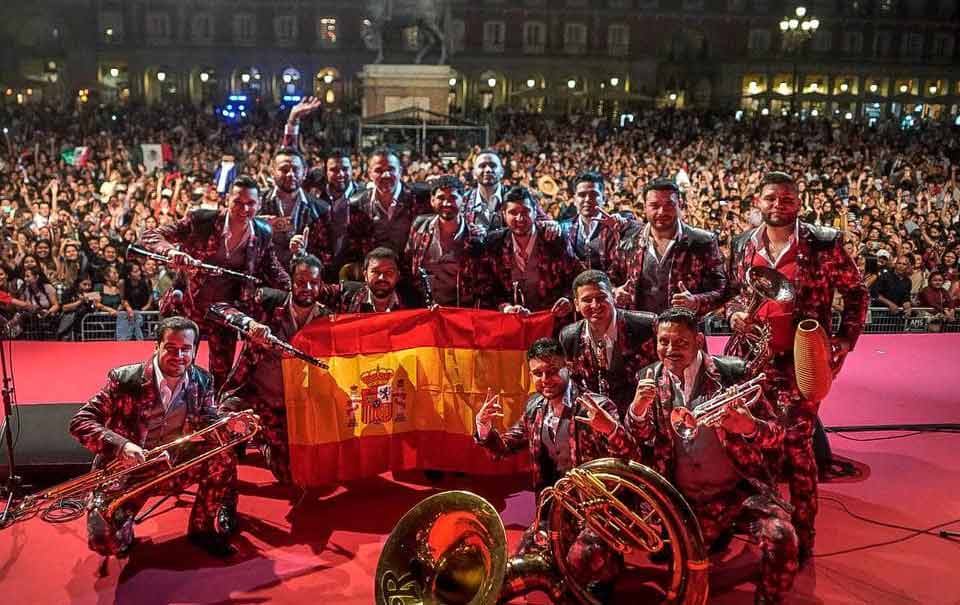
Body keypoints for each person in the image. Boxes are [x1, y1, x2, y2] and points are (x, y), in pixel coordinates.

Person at [727, 171, 868, 563]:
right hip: (750, 362)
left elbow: (857, 292)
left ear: (798, 203)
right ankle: (762, 526)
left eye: (787, 199)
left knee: (797, 448)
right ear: (757, 202)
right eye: (771, 198)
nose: (778, 205)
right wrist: (736, 314)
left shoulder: (825, 243)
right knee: (747, 441)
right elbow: (735, 294)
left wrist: (844, 339)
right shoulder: (742, 244)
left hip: (800, 364)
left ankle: (802, 538)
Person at [626, 307, 797, 605]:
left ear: (700, 340)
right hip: (684, 498)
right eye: (663, 341)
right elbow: (639, 439)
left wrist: (748, 426)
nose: (670, 350)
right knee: (683, 575)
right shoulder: (647, 377)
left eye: (680, 342)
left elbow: (777, 433)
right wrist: (636, 410)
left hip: (738, 492)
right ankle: (707, 538)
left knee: (782, 537)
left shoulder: (732, 372)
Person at [474, 337, 634, 596]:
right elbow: (504, 446)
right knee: (523, 565)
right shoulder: (534, 408)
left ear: (568, 367)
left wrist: (611, 429)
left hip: (598, 513)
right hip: (555, 512)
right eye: (538, 373)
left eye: (552, 371)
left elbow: (631, 454)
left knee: (575, 570)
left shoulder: (597, 405)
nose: (545, 379)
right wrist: (484, 427)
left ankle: (607, 567)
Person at [68, 316, 240, 558]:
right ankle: (122, 526)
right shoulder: (124, 380)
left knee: (223, 456)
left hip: (173, 465)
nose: (179, 355)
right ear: (156, 346)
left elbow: (208, 419)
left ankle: (201, 528)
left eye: (186, 349)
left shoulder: (202, 381)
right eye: (171, 348)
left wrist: (225, 424)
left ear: (194, 350)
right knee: (103, 541)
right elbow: (80, 422)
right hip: (128, 472)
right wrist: (122, 446)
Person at [140, 175, 290, 387]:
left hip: (226, 312)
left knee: (220, 374)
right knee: (173, 365)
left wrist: (298, 287)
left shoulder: (263, 233)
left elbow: (273, 270)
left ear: (259, 204)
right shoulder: (202, 221)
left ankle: (210, 414)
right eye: (238, 202)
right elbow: (151, 236)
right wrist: (172, 251)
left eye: (250, 204)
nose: (244, 209)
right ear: (227, 200)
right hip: (188, 305)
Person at [219, 255, 332, 484]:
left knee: (291, 475)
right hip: (253, 396)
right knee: (222, 425)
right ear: (291, 281)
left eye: (313, 282)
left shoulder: (327, 320)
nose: (307, 288)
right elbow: (220, 306)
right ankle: (225, 497)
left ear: (321, 285)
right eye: (301, 281)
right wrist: (249, 324)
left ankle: (262, 440)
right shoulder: (267, 302)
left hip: (291, 409)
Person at [610, 178, 727, 316]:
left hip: (684, 329)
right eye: (654, 205)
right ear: (644, 207)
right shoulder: (628, 240)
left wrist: (696, 301)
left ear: (680, 205)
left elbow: (722, 289)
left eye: (669, 205)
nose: (661, 212)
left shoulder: (703, 241)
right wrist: (615, 291)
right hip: (638, 330)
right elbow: (611, 279)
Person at [558, 270, 657, 416]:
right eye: (587, 300)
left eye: (601, 297)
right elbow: (574, 387)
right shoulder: (569, 337)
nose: (595, 305)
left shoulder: (645, 326)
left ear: (613, 297)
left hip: (642, 416)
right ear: (577, 304)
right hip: (595, 420)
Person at [474, 186, 583, 314]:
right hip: (511, 323)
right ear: (503, 214)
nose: (520, 218)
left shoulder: (553, 239)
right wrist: (506, 308)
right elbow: (485, 286)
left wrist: (568, 300)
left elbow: (577, 276)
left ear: (535, 212)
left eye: (525, 212)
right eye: (513, 213)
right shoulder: (494, 243)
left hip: (552, 320)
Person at [405, 175, 485, 307]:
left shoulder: (473, 236)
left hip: (459, 311)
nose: (447, 203)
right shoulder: (420, 227)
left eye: (453, 198)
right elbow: (408, 264)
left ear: (463, 200)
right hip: (423, 309)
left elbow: (482, 282)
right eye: (441, 198)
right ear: (432, 200)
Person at [259, 146, 332, 272]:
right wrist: (257, 227)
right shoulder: (257, 205)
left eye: (295, 169)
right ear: (272, 172)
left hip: (303, 283)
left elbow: (326, 256)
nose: (290, 174)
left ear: (304, 172)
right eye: (284, 169)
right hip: (265, 281)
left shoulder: (321, 209)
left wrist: (304, 255)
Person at [464, 149, 560, 237]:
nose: (488, 170)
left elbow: (545, 221)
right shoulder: (464, 200)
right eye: (482, 166)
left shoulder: (519, 196)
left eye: (493, 165)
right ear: (474, 173)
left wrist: (552, 225)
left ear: (502, 171)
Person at [560, 172, 637, 273]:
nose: (587, 200)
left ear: (603, 198)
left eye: (593, 194)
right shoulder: (564, 228)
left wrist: (624, 227)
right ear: (574, 200)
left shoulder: (617, 224)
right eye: (582, 195)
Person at [327, 247, 408, 313]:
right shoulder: (346, 294)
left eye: (389, 272)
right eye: (375, 272)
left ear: (397, 276)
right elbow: (318, 291)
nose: (382, 277)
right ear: (365, 275)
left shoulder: (411, 301)